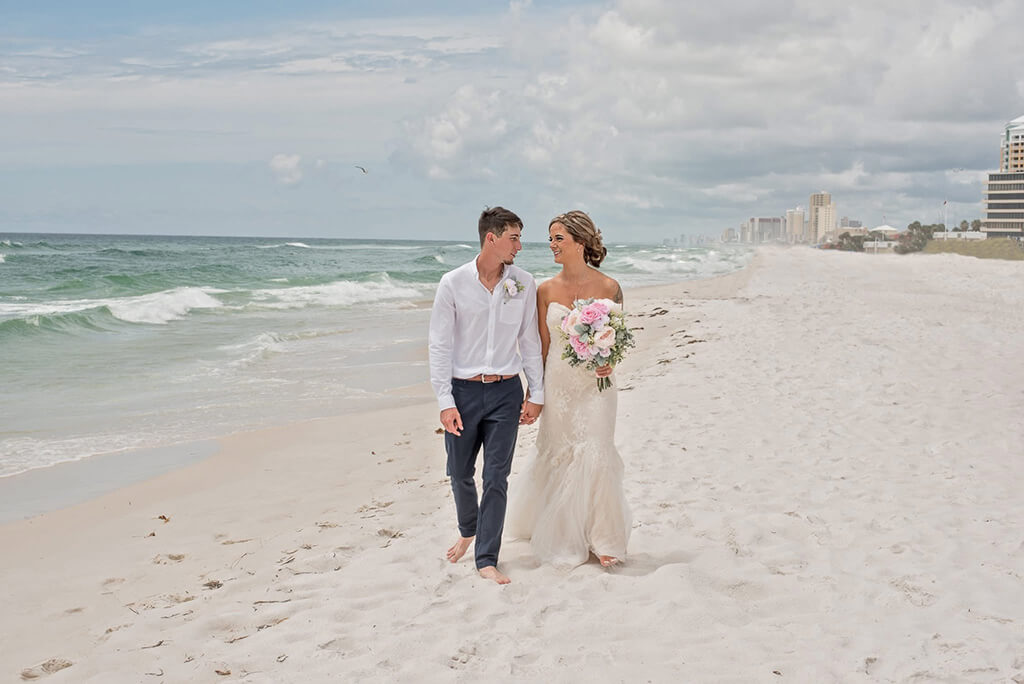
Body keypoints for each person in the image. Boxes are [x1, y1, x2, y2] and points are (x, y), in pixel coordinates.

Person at [507, 210, 631, 568]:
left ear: (580, 242)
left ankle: (604, 538)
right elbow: (541, 349)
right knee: (560, 452)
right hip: (559, 385)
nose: (551, 245)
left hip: (597, 385)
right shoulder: (545, 290)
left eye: (558, 238)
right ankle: (563, 534)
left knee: (597, 450)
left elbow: (616, 339)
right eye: (550, 239)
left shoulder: (610, 288)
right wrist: (536, 395)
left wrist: (610, 362)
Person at [428, 206, 545, 584]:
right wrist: (445, 401)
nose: (520, 246)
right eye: (514, 238)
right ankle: (468, 528)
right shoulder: (453, 283)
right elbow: (439, 346)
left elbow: (529, 341)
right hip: (462, 392)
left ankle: (487, 558)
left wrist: (536, 392)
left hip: (506, 393)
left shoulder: (524, 283)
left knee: (496, 476)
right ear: (491, 238)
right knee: (459, 473)